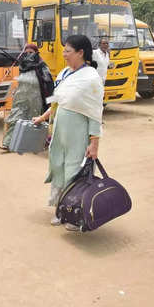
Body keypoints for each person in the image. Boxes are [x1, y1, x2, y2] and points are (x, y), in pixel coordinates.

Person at [33, 35, 103, 231]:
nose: (64, 54)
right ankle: (60, 209)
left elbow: (96, 113)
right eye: (64, 50)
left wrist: (94, 143)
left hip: (78, 133)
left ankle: (75, 215)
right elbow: (56, 100)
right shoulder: (64, 73)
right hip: (60, 132)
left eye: (67, 51)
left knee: (74, 171)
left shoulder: (91, 78)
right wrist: (42, 117)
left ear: (81, 53)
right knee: (58, 168)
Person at [0, 43, 54, 150]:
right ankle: (7, 143)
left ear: (36, 53)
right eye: (27, 52)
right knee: (15, 118)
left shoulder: (42, 66)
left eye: (31, 52)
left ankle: (37, 143)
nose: (29, 55)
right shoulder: (22, 66)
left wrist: (50, 99)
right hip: (21, 98)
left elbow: (49, 84)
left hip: (36, 98)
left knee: (35, 120)